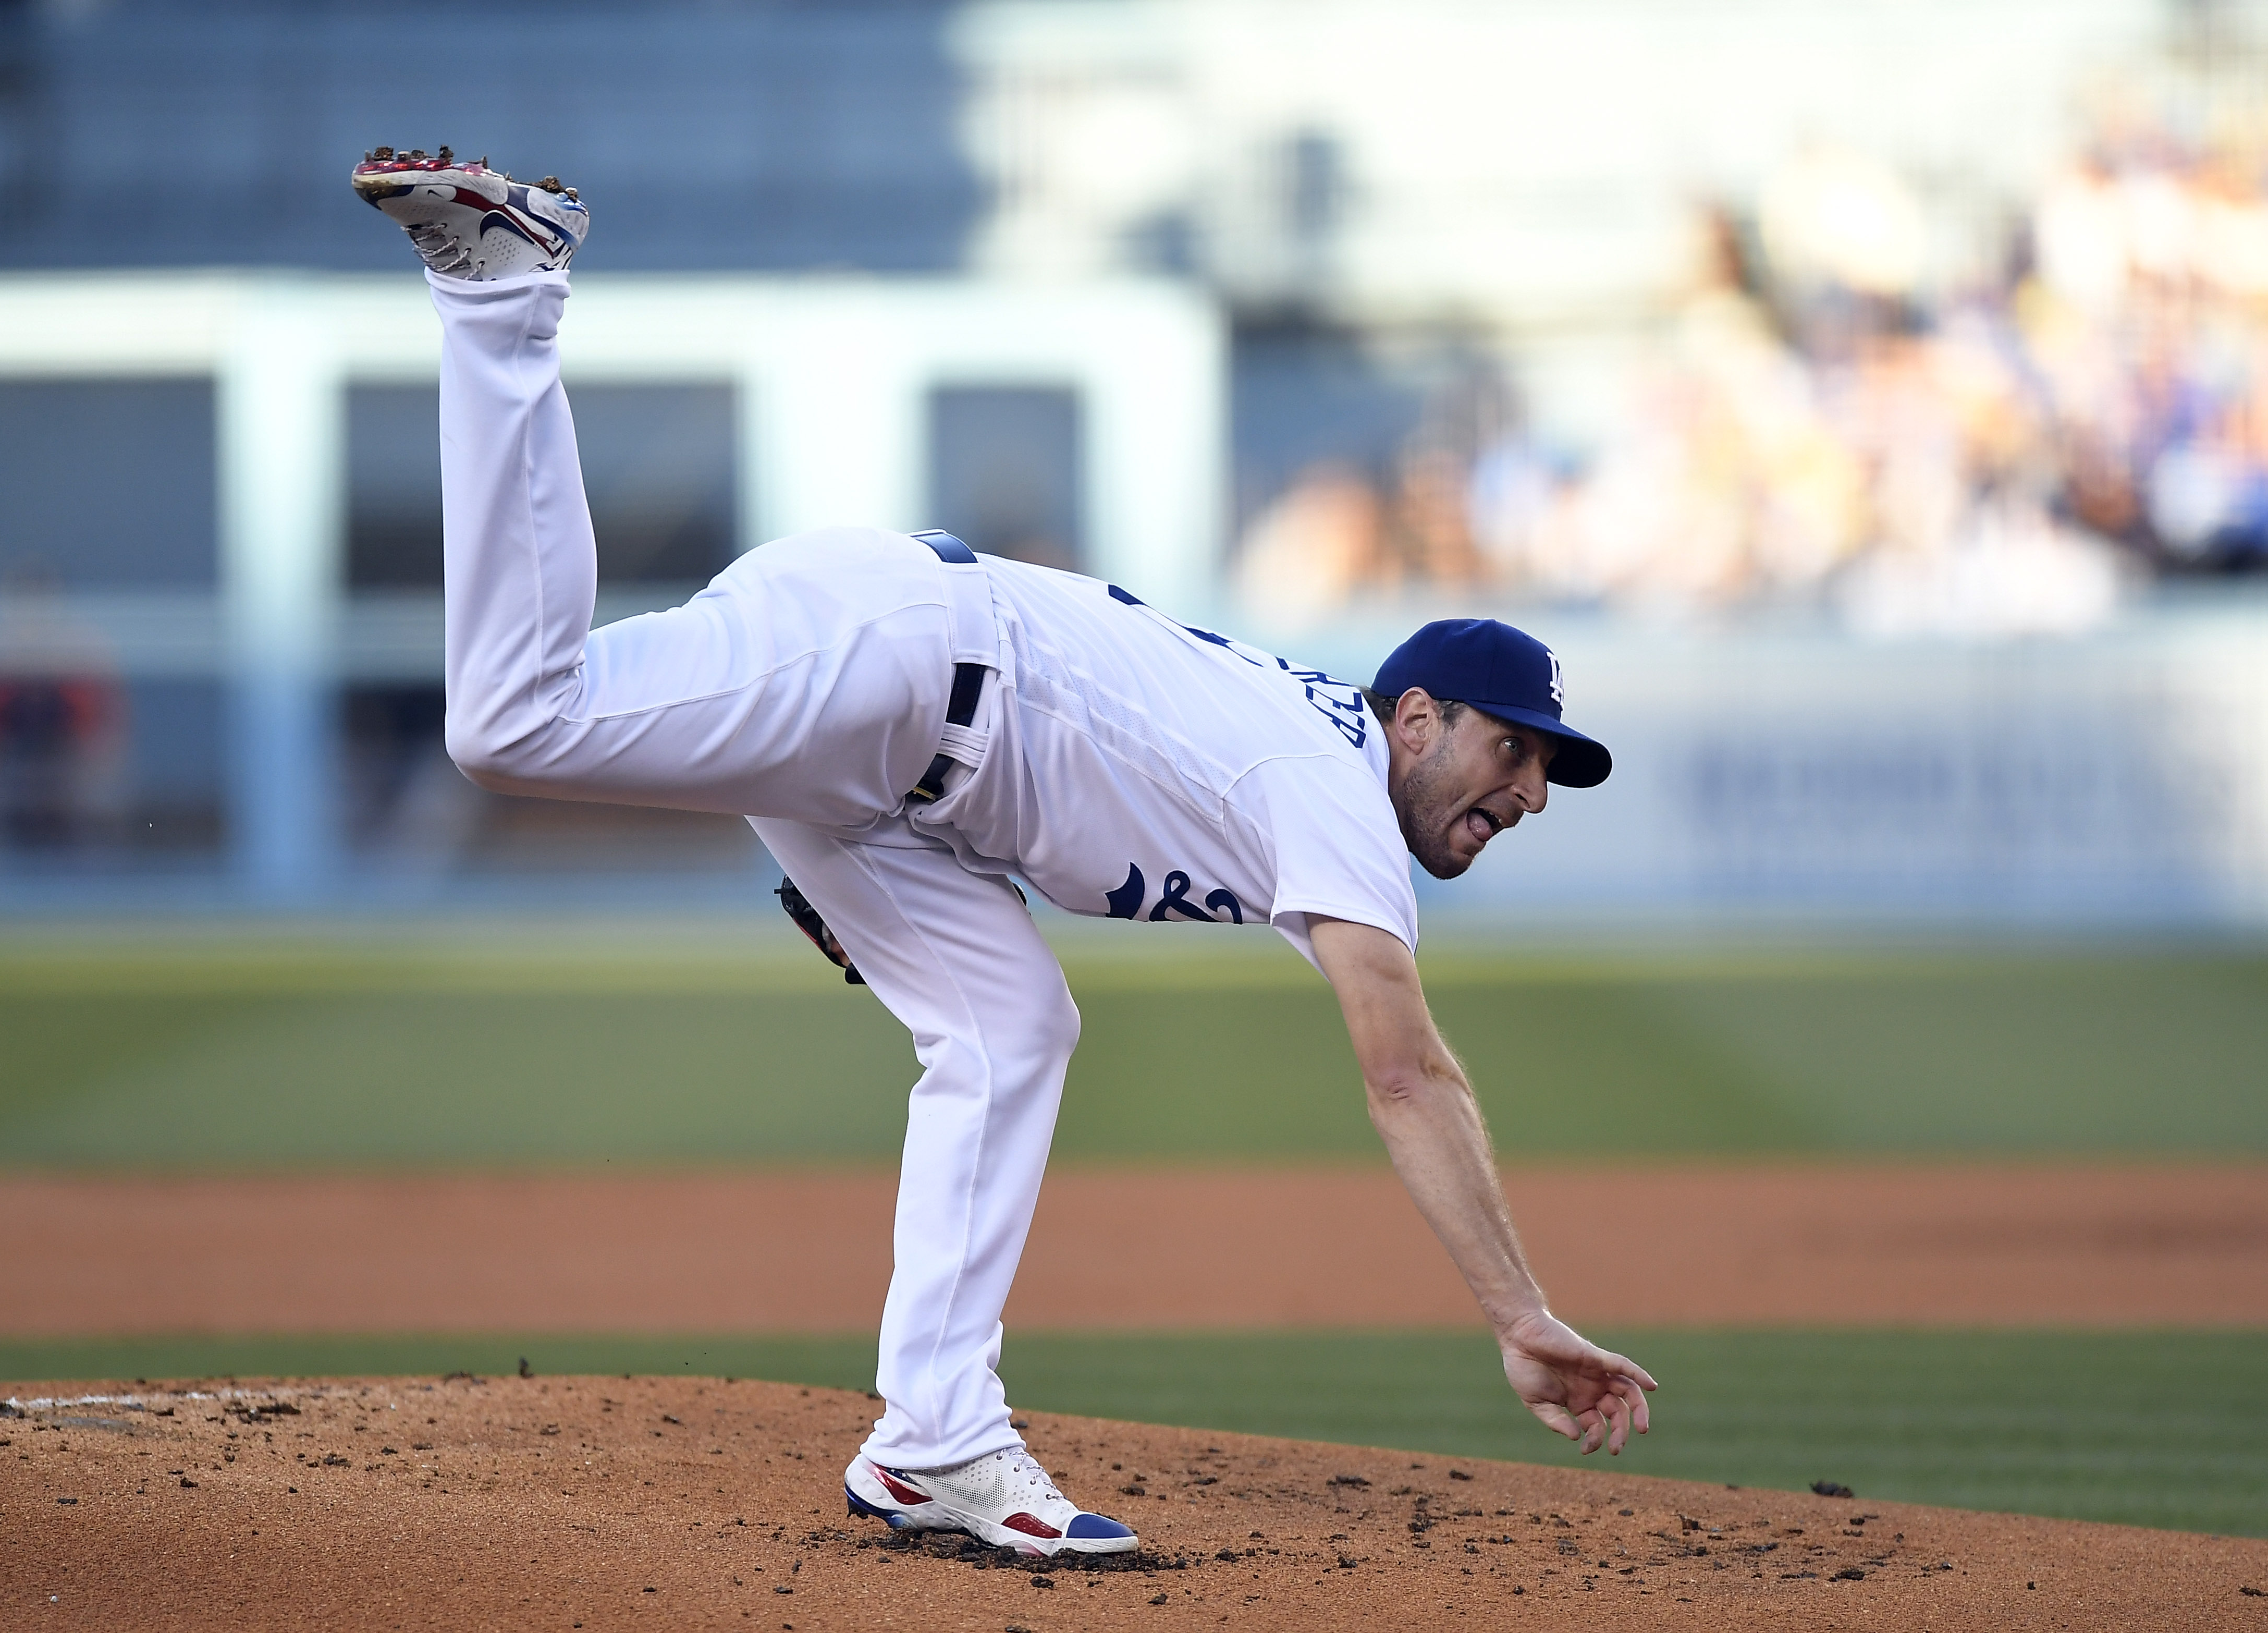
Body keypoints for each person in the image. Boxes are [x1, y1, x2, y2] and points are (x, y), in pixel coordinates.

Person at [351, 147, 1657, 1561]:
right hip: (902, 657)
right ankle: (506, 287)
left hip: (899, 771)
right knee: (516, 724)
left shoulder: (1317, 765)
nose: (1527, 789)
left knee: (1012, 1023)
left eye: (1545, 769)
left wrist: (860, 875)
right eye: (1511, 750)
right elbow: (1407, 1072)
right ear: (1416, 717)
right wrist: (1518, 1309)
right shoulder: (1331, 783)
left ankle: (934, 1441)